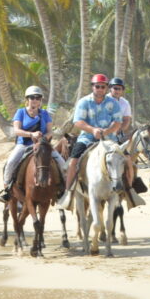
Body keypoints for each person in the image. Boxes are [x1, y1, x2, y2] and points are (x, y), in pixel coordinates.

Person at [56, 75, 122, 210]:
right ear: (92, 87)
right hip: (87, 138)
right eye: (97, 86)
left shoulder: (113, 103)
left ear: (106, 88)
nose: (100, 89)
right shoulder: (84, 101)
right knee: (73, 161)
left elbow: (117, 122)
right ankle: (68, 193)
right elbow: (78, 121)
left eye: (103, 86)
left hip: (109, 139)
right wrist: (93, 130)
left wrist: (107, 131)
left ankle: (130, 191)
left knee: (125, 159)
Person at [0, 86, 67, 203]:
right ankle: (7, 189)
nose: (35, 100)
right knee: (11, 162)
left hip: (42, 145)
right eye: (32, 97)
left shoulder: (44, 113)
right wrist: (31, 134)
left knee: (62, 163)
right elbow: (16, 130)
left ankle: (64, 189)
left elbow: (50, 131)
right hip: (24, 145)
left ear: (40, 100)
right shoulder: (21, 112)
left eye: (38, 98)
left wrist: (43, 137)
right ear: (27, 99)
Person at [108, 78, 133, 143]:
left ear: (122, 90)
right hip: (102, 132)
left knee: (127, 150)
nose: (117, 91)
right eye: (115, 88)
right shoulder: (103, 100)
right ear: (110, 88)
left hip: (118, 133)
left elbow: (126, 120)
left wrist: (120, 129)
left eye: (120, 89)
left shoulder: (125, 103)